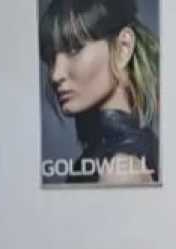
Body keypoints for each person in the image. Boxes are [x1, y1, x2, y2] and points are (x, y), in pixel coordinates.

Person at [40, 0, 160, 185]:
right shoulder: (131, 151)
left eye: (73, 49)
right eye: (50, 58)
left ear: (123, 48)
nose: (55, 74)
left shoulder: (119, 171)